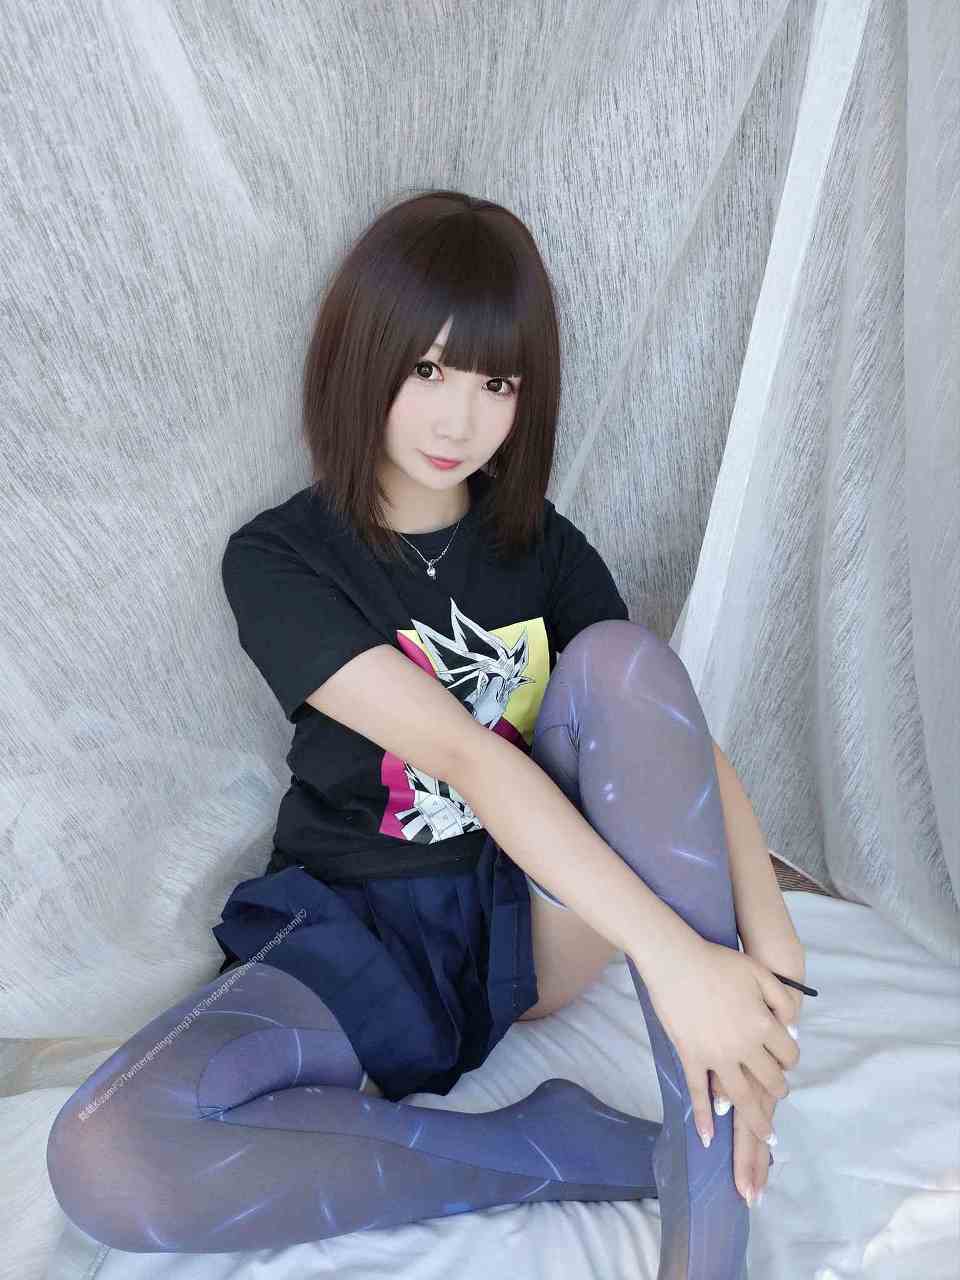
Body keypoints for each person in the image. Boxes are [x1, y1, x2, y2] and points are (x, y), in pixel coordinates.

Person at [46, 189, 810, 1274]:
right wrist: (674, 955)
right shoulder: (281, 559)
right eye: (429, 370)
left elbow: (673, 738)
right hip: (354, 929)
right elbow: (459, 752)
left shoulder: (541, 547)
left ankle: (707, 1198)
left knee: (626, 661)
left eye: (497, 383)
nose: (460, 422)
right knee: (109, 1153)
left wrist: (767, 939)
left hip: (529, 923)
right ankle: (548, 1149)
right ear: (364, 356)